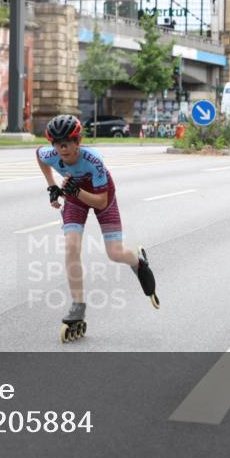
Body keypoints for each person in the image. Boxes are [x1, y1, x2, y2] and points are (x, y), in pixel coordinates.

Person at [36, 114, 159, 343]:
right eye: (56, 143)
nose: (61, 148)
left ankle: (139, 262)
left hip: (102, 196)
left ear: (78, 142)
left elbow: (100, 202)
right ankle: (78, 306)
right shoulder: (51, 154)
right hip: (74, 197)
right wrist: (52, 186)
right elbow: (39, 156)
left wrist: (76, 191)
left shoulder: (93, 161)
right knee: (71, 247)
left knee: (114, 253)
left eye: (66, 143)